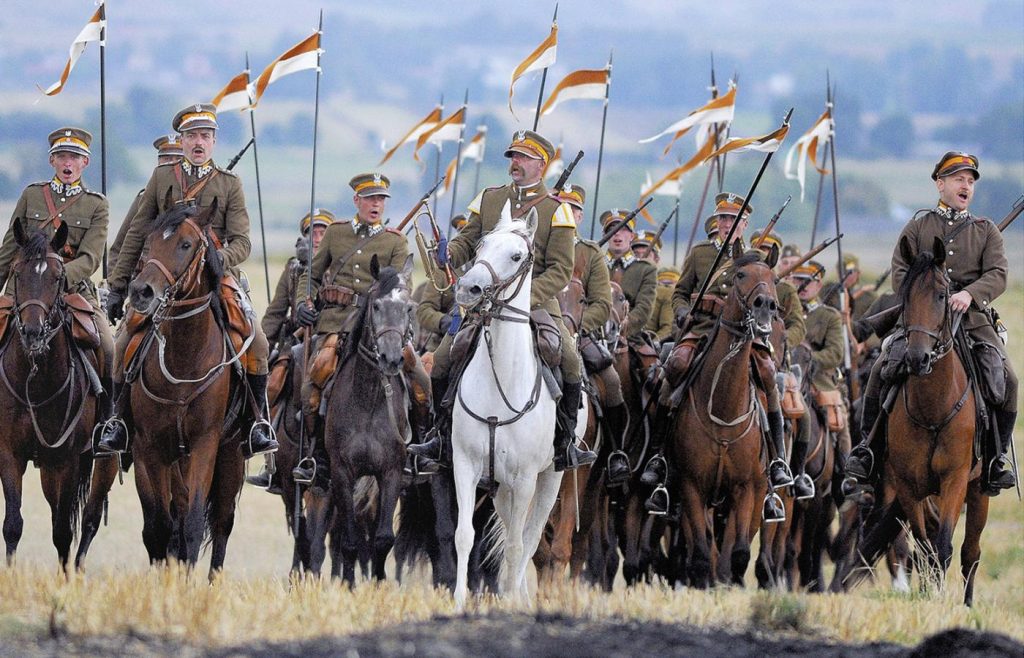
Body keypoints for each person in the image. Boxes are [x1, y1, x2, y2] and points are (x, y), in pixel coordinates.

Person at [408, 130, 597, 472]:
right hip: (485, 302)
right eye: (513, 156)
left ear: (542, 164)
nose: (516, 163)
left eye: (524, 158)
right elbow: (467, 241)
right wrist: (448, 252)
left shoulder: (557, 210)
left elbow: (560, 269)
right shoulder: (490, 199)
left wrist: (523, 298)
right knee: (445, 356)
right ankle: (440, 436)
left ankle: (566, 442)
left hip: (537, 301)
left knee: (569, 358)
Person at [99, 103, 277, 459]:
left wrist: (218, 258)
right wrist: (119, 286)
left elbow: (243, 241)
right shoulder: (162, 179)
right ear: (181, 141)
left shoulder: (229, 184)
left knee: (257, 340)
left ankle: (259, 423)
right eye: (193, 135)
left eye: (206, 136)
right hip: (165, 278)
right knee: (123, 341)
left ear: (213, 142)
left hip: (215, 277)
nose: (199, 142)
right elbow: (137, 232)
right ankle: (118, 420)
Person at [846, 152, 1016, 495]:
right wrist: (921, 297)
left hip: (971, 321)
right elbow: (899, 270)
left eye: (970, 180)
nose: (965, 185)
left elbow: (997, 274)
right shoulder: (919, 227)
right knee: (882, 367)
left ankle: (996, 460)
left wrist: (969, 294)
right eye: (958, 179)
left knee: (1008, 378)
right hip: (923, 320)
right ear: (940, 184)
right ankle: (867, 451)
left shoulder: (985, 231)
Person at [642, 193, 792, 519]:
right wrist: (682, 312)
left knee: (768, 374)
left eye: (734, 220)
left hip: (742, 337)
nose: (728, 224)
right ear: (717, 222)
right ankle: (658, 456)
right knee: (676, 365)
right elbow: (681, 292)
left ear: (744, 224)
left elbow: (764, 298)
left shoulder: (754, 259)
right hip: (703, 331)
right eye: (723, 218)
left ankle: (778, 459)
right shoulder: (700, 254)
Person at [292, 173, 410, 484]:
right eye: (370, 198)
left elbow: (396, 286)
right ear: (356, 201)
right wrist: (303, 303)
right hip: (337, 322)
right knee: (314, 377)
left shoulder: (395, 241)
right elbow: (311, 276)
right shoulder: (335, 233)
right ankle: (316, 454)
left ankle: (417, 449)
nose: (376, 204)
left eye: (381, 199)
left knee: (420, 379)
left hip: (382, 323)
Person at [0, 127, 114, 422]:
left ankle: (108, 423)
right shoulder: (32, 195)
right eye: (62, 156)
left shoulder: (96, 204)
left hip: (72, 291)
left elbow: (89, 259)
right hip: (24, 291)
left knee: (108, 345)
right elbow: (9, 248)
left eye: (74, 157)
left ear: (84, 163)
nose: (67, 163)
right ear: (52, 161)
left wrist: (57, 276)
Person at [559, 185, 629, 484]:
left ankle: (615, 454)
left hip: (577, 331)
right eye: (558, 206)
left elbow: (601, 303)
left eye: (571, 209)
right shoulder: (532, 246)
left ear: (579, 215)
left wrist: (576, 327)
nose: (564, 213)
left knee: (612, 382)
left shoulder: (589, 253)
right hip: (538, 326)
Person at [752, 229, 814, 499]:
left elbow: (798, 325)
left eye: (769, 249)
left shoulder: (786, 290)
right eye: (760, 248)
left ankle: (796, 473)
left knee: (804, 415)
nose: (764, 253)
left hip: (774, 359)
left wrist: (782, 338)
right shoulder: (744, 282)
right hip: (742, 354)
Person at [789, 260, 847, 497]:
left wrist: (809, 359)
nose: (802, 287)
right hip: (788, 377)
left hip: (819, 380)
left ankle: (845, 477)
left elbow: (835, 353)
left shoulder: (829, 315)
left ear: (819, 284)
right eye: (797, 281)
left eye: (807, 282)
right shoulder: (785, 312)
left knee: (839, 422)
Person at [108, 135, 183, 273]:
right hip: (142, 276)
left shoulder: (192, 201)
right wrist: (115, 282)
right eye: (166, 159)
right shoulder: (144, 198)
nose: (171, 164)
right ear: (158, 163)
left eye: (177, 159)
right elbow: (119, 248)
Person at [264, 209, 334, 354]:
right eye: (312, 234)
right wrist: (261, 351)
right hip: (296, 340)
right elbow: (275, 313)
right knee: (277, 373)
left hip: (330, 338)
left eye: (323, 234)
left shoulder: (340, 267)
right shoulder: (293, 269)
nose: (318, 239)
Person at [415, 214, 468, 355]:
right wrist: (444, 321)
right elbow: (424, 310)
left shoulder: (497, 270)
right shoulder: (444, 270)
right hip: (444, 345)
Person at [603, 210, 657, 339]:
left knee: (650, 358)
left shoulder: (646, 269)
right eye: (612, 229)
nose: (617, 233)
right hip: (594, 332)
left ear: (632, 236)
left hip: (629, 334)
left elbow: (644, 308)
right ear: (605, 235)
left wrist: (623, 326)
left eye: (623, 229)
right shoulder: (593, 264)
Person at [647, 267, 679, 342]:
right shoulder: (671, 293)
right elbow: (668, 328)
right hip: (650, 341)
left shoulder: (647, 290)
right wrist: (653, 345)